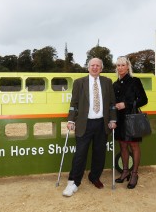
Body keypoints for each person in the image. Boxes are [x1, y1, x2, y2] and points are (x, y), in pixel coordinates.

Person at [62, 58, 117, 197]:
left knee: (99, 153)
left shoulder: (107, 82)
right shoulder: (79, 82)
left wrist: (113, 118)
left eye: (97, 66)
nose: (95, 67)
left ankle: (94, 177)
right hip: (84, 123)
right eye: (92, 65)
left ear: (101, 68)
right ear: (88, 67)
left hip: (101, 123)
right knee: (80, 154)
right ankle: (73, 182)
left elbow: (111, 103)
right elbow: (73, 103)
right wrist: (71, 120)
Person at [113, 56, 148, 189]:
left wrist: (126, 104)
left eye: (122, 65)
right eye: (118, 65)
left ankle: (134, 174)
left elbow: (144, 100)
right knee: (122, 146)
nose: (120, 67)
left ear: (128, 67)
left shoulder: (135, 81)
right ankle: (125, 172)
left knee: (134, 146)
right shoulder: (114, 84)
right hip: (119, 119)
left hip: (132, 118)